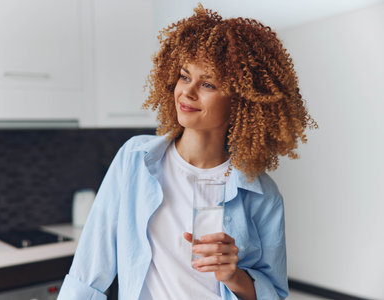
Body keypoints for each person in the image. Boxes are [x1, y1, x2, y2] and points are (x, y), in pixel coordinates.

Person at [57, 4, 317, 300]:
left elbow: (275, 294)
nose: (188, 92)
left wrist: (234, 275)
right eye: (184, 76)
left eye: (207, 83)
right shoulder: (135, 159)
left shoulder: (261, 194)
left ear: (241, 102)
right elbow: (88, 270)